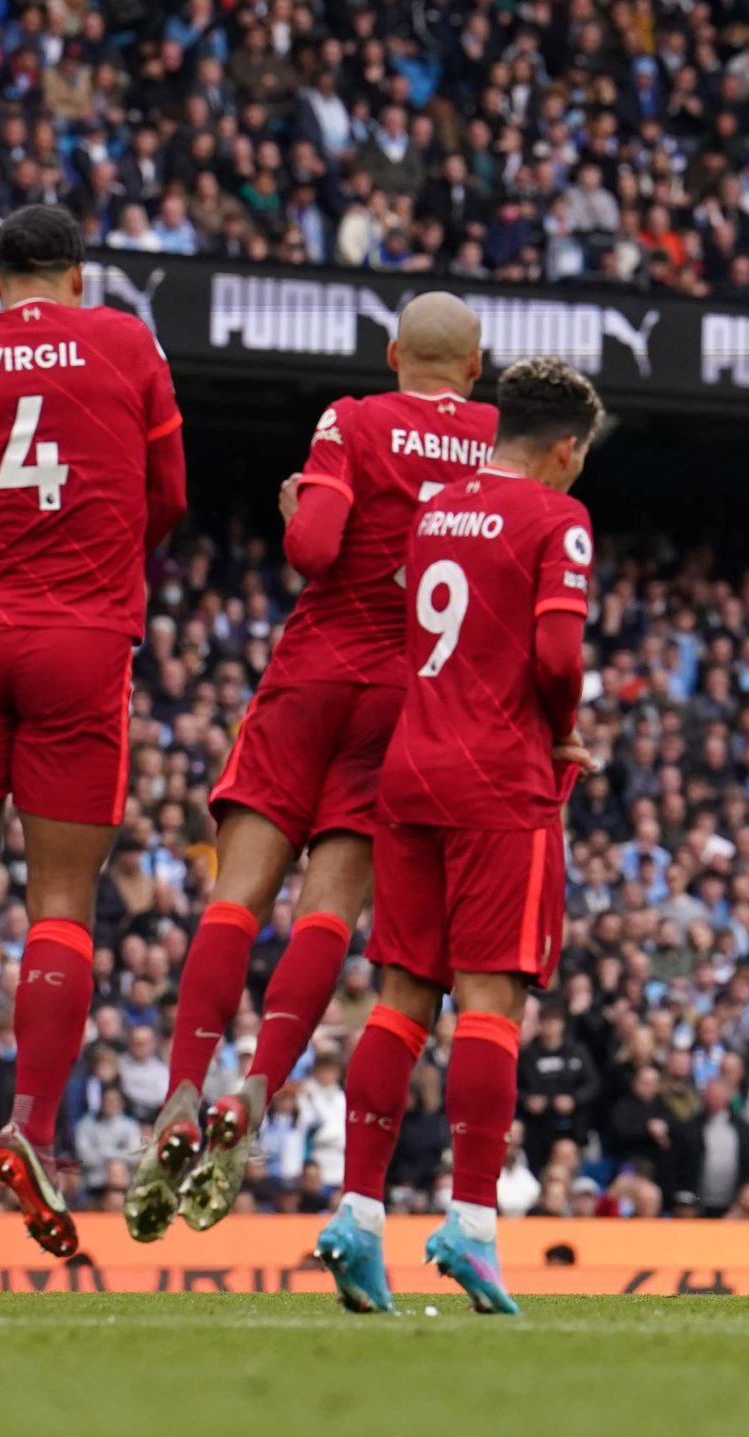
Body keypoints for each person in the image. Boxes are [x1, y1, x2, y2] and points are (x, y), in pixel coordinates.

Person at [132, 292, 496, 1242]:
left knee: (235, 899)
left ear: (391, 355)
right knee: (327, 914)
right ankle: (255, 1089)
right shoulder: (501, 442)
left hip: (314, 677)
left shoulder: (355, 418)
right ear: (475, 365)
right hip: (407, 700)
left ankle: (180, 1090)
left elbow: (314, 548)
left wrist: (299, 504)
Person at [0, 203, 188, 1258]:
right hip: (82, 635)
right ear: (78, 272)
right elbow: (169, 494)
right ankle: (31, 1127)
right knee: (60, 899)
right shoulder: (124, 339)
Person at [313, 357, 603, 1314]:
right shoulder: (557, 518)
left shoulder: (437, 507)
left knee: (401, 1000)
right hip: (497, 779)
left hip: (412, 765)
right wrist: (562, 729)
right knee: (489, 1006)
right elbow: (558, 654)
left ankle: (357, 1217)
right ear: (564, 449)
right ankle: (472, 1227)